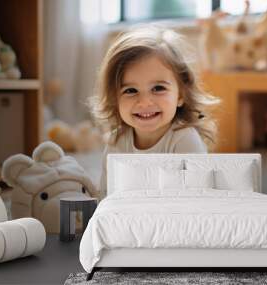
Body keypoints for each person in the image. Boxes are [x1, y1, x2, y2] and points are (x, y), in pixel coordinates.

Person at [88, 25, 219, 199]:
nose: (144, 102)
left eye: (158, 88)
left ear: (181, 94)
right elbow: (106, 196)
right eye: (131, 90)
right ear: (115, 99)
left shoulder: (184, 139)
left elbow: (198, 198)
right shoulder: (116, 141)